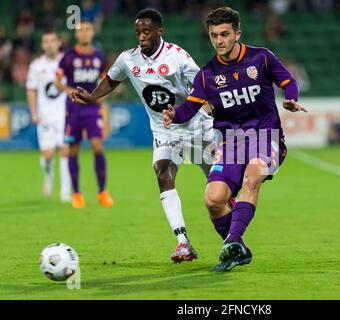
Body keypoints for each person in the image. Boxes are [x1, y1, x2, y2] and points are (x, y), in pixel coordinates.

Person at [163, 7, 307, 271]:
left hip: (267, 136)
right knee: (214, 200)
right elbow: (189, 110)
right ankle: (236, 249)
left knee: (253, 176)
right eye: (214, 35)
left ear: (237, 34)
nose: (219, 40)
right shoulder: (207, 74)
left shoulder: (261, 58)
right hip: (231, 143)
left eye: (225, 34)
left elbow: (288, 81)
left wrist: (291, 98)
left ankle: (232, 241)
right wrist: (174, 114)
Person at [71, 9, 217, 263]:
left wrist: (205, 105)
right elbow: (111, 79)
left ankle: (232, 233)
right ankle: (183, 242)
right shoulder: (128, 59)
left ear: (160, 31)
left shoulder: (177, 56)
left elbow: (201, 84)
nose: (141, 36)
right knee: (163, 172)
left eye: (146, 31)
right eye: (138, 32)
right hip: (164, 130)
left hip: (195, 127)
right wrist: (93, 96)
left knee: (218, 190)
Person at [55, 19, 114, 208]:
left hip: (91, 108)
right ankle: (77, 194)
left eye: (88, 29)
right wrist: (69, 91)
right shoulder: (69, 56)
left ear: (92, 33)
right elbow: (57, 81)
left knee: (97, 147)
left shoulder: (99, 55)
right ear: (76, 35)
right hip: (73, 109)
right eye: (81, 30)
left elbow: (104, 80)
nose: (85, 33)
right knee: (73, 149)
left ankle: (102, 191)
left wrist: (100, 98)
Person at [26, 30, 71, 202]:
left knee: (65, 151)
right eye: (46, 41)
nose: (49, 44)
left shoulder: (67, 61)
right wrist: (34, 112)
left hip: (64, 115)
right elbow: (31, 90)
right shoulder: (36, 66)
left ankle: (65, 191)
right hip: (45, 116)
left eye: (52, 40)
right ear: (42, 44)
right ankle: (48, 175)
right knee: (48, 156)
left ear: (58, 43)